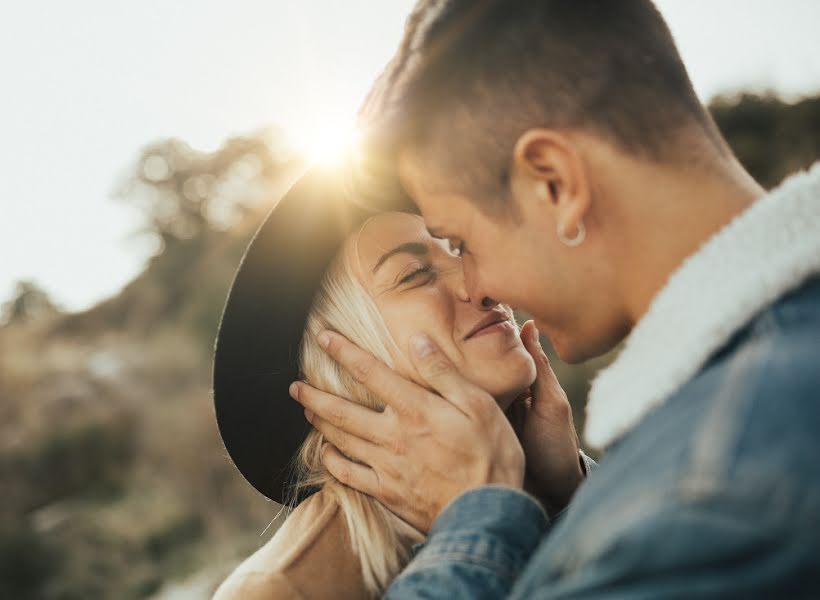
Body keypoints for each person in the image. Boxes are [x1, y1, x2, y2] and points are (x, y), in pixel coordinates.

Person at [291, 1, 820, 597]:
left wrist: (478, 515)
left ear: (553, 182)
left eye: (461, 241)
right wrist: (563, 499)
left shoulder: (707, 494)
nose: (477, 288)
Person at [212, 170, 590, 599]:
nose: (483, 285)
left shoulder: (552, 479)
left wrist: (567, 496)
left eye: (462, 251)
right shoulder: (281, 589)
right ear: (344, 356)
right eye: (414, 275)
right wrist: (482, 519)